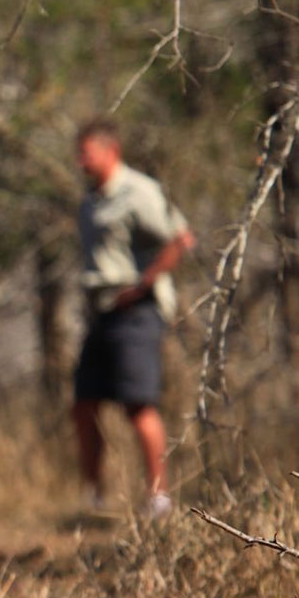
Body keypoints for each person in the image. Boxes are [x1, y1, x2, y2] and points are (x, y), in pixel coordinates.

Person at [72, 118, 195, 518]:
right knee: (84, 402)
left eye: (87, 153)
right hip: (102, 311)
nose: (80, 162)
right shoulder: (91, 199)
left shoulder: (139, 191)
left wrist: (143, 285)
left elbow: (180, 239)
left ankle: (158, 497)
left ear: (111, 152)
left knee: (138, 404)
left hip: (137, 311)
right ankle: (94, 495)